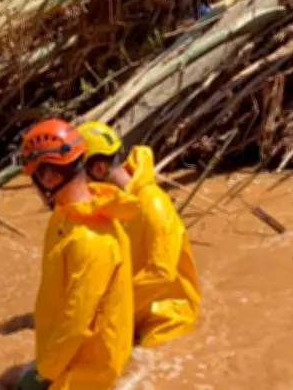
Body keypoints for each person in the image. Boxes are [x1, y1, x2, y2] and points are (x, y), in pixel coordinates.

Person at [16, 118, 140, 390]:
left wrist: (45, 373)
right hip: (68, 356)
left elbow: (76, 321)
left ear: (49, 177)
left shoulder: (90, 239)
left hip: (86, 371)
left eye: (33, 179)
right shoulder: (68, 214)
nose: (35, 189)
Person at [77, 121, 201, 347]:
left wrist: (110, 308)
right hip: (137, 312)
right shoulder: (116, 204)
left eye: (78, 176)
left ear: (99, 169)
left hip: (167, 320)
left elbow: (161, 272)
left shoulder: (153, 204)